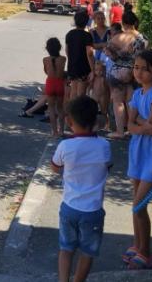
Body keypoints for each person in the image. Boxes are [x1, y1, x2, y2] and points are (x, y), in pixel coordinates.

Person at [51, 96, 111, 282]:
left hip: (69, 207)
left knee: (66, 249)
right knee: (87, 252)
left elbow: (55, 167)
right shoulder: (104, 145)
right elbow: (107, 166)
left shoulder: (65, 146)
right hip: (93, 210)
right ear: (95, 121)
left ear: (69, 121)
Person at [123, 48, 152, 270]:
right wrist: (140, 123)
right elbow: (129, 125)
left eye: (144, 69)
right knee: (135, 204)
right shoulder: (137, 94)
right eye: (136, 68)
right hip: (138, 151)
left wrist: (138, 123)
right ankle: (138, 244)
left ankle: (146, 253)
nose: (138, 73)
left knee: (139, 206)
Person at [106, 11, 146, 140]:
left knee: (118, 102)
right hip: (134, 72)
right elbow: (142, 56)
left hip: (117, 72)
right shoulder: (142, 38)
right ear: (135, 22)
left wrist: (119, 56)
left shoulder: (118, 37)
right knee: (130, 101)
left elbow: (108, 52)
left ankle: (120, 131)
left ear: (123, 24)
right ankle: (131, 128)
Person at [65, 10, 95, 102]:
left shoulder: (69, 34)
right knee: (81, 94)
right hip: (83, 67)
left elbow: (67, 50)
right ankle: (78, 114)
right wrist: (93, 70)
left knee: (73, 92)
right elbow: (89, 53)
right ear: (86, 22)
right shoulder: (87, 36)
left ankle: (70, 114)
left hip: (72, 65)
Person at [89, 12, 111, 132]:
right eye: (98, 18)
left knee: (105, 86)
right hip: (97, 59)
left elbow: (111, 44)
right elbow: (92, 45)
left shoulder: (109, 30)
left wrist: (101, 46)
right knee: (95, 86)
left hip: (107, 61)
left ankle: (106, 121)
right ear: (95, 19)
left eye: (103, 18)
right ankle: (94, 121)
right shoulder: (92, 31)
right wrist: (103, 45)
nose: (101, 20)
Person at [44, 37, 67, 137]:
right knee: (60, 108)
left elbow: (46, 71)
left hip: (50, 83)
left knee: (51, 108)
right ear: (59, 48)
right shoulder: (63, 59)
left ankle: (54, 132)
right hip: (59, 84)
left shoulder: (45, 59)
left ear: (47, 49)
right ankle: (61, 130)